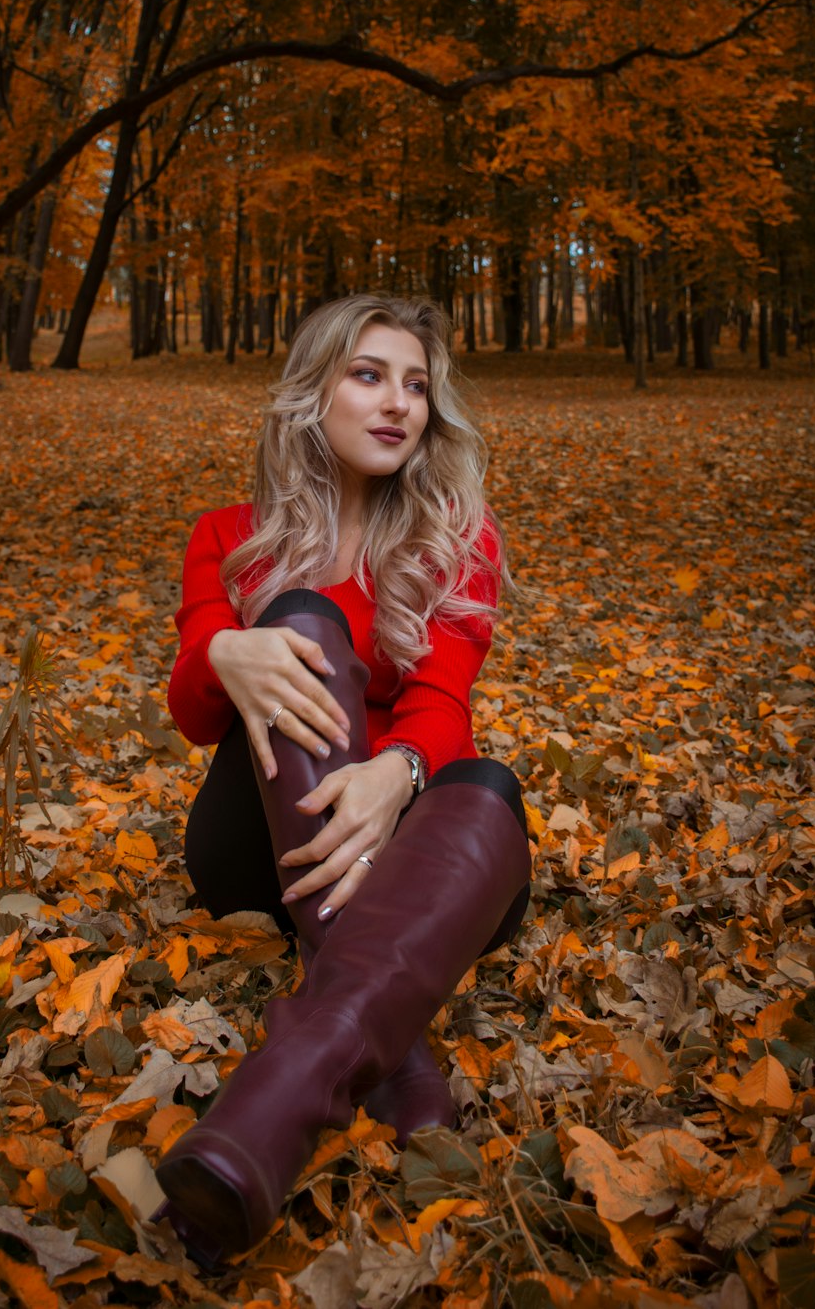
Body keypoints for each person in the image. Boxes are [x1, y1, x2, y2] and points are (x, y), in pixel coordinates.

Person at [154, 293, 532, 1265]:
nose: (397, 402)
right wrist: (227, 652)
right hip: (260, 846)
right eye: (368, 375)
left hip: (412, 845)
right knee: (300, 617)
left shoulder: (457, 537)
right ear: (310, 395)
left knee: (485, 783)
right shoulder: (227, 534)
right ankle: (393, 1049)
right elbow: (195, 715)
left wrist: (395, 775)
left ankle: (279, 1101)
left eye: (415, 384)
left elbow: (442, 702)